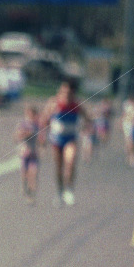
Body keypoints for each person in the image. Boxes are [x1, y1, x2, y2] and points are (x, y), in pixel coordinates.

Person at [41, 78, 87, 206]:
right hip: (56, 139)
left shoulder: (76, 105)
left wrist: (86, 127)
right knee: (58, 167)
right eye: (62, 91)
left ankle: (69, 190)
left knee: (70, 162)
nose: (65, 95)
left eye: (68, 92)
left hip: (70, 138)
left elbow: (87, 118)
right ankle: (59, 191)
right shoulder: (54, 102)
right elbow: (44, 120)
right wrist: (43, 137)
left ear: (73, 92)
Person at [15, 104, 41, 205]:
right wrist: (26, 133)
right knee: (24, 174)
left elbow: (42, 139)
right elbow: (17, 136)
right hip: (24, 154)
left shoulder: (37, 125)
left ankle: (31, 195)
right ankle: (24, 186)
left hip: (33, 154)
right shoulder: (22, 124)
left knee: (33, 175)